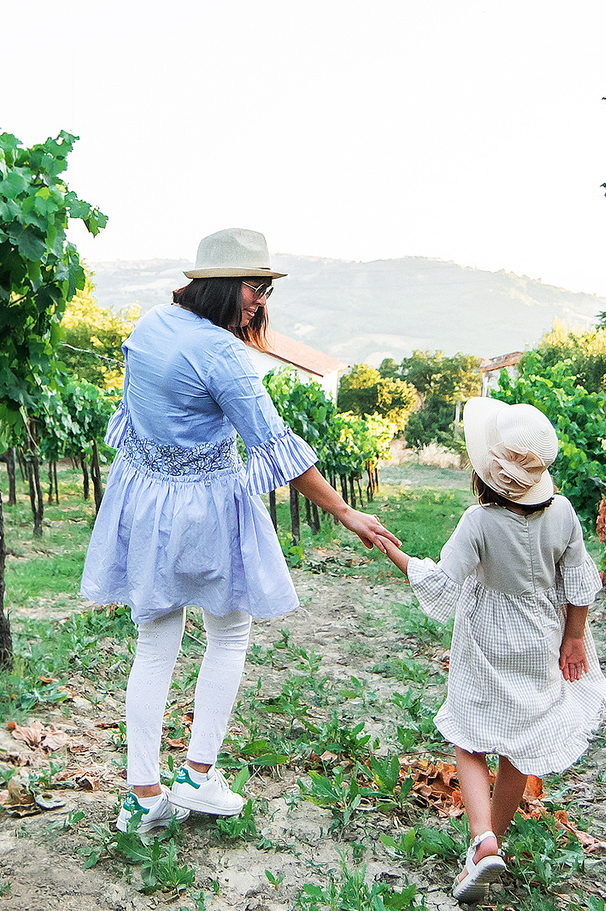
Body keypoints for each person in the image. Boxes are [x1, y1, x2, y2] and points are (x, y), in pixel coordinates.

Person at [82, 227, 403, 835]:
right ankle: (198, 775)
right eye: (255, 288)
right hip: (205, 507)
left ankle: (141, 796)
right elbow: (275, 445)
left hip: (146, 499)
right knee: (229, 632)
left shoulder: (150, 325)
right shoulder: (224, 355)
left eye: (265, 290)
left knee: (155, 640)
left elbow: (134, 416)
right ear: (223, 286)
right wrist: (344, 511)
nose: (261, 302)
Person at [377, 396, 606, 901]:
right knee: (523, 738)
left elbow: (445, 584)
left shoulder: (479, 522)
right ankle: (495, 839)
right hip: (542, 635)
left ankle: (482, 840)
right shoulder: (564, 514)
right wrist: (574, 638)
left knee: (469, 737)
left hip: (488, 639)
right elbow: (579, 581)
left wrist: (396, 554)